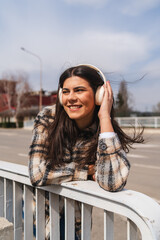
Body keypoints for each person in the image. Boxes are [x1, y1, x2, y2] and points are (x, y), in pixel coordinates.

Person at [29, 64, 144, 239]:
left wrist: (105, 116)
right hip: (42, 218)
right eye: (66, 91)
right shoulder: (48, 118)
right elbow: (37, 174)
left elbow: (113, 182)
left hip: (77, 226)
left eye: (79, 90)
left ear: (99, 95)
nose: (71, 98)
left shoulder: (105, 131)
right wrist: (83, 172)